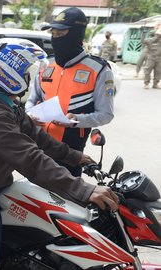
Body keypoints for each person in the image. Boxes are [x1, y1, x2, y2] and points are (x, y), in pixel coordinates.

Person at [0, 38, 119, 261]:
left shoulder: (7, 105)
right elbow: (31, 159)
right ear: (6, 74)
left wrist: (77, 158)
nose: (29, 77)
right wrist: (83, 190)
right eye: (25, 71)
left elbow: (38, 137)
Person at [26, 7, 115, 177]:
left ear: (76, 34)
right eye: (53, 34)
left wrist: (78, 120)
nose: (56, 39)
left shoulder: (99, 70)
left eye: (61, 34)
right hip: (37, 147)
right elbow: (32, 100)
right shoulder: (46, 65)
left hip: (70, 153)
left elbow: (106, 114)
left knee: (64, 199)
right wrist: (29, 114)